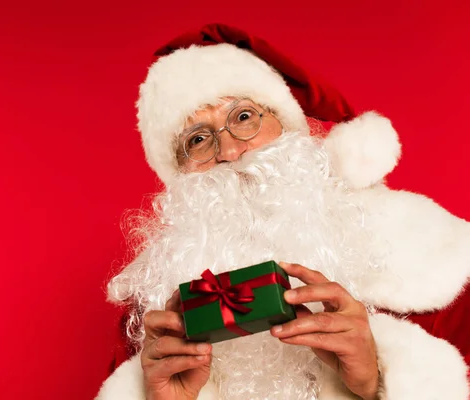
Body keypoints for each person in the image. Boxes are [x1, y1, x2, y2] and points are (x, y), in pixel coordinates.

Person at [96, 24, 470, 399]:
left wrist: (376, 381)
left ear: (290, 128)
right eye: (197, 139)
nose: (229, 152)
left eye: (244, 117)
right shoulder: (153, 317)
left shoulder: (430, 257)